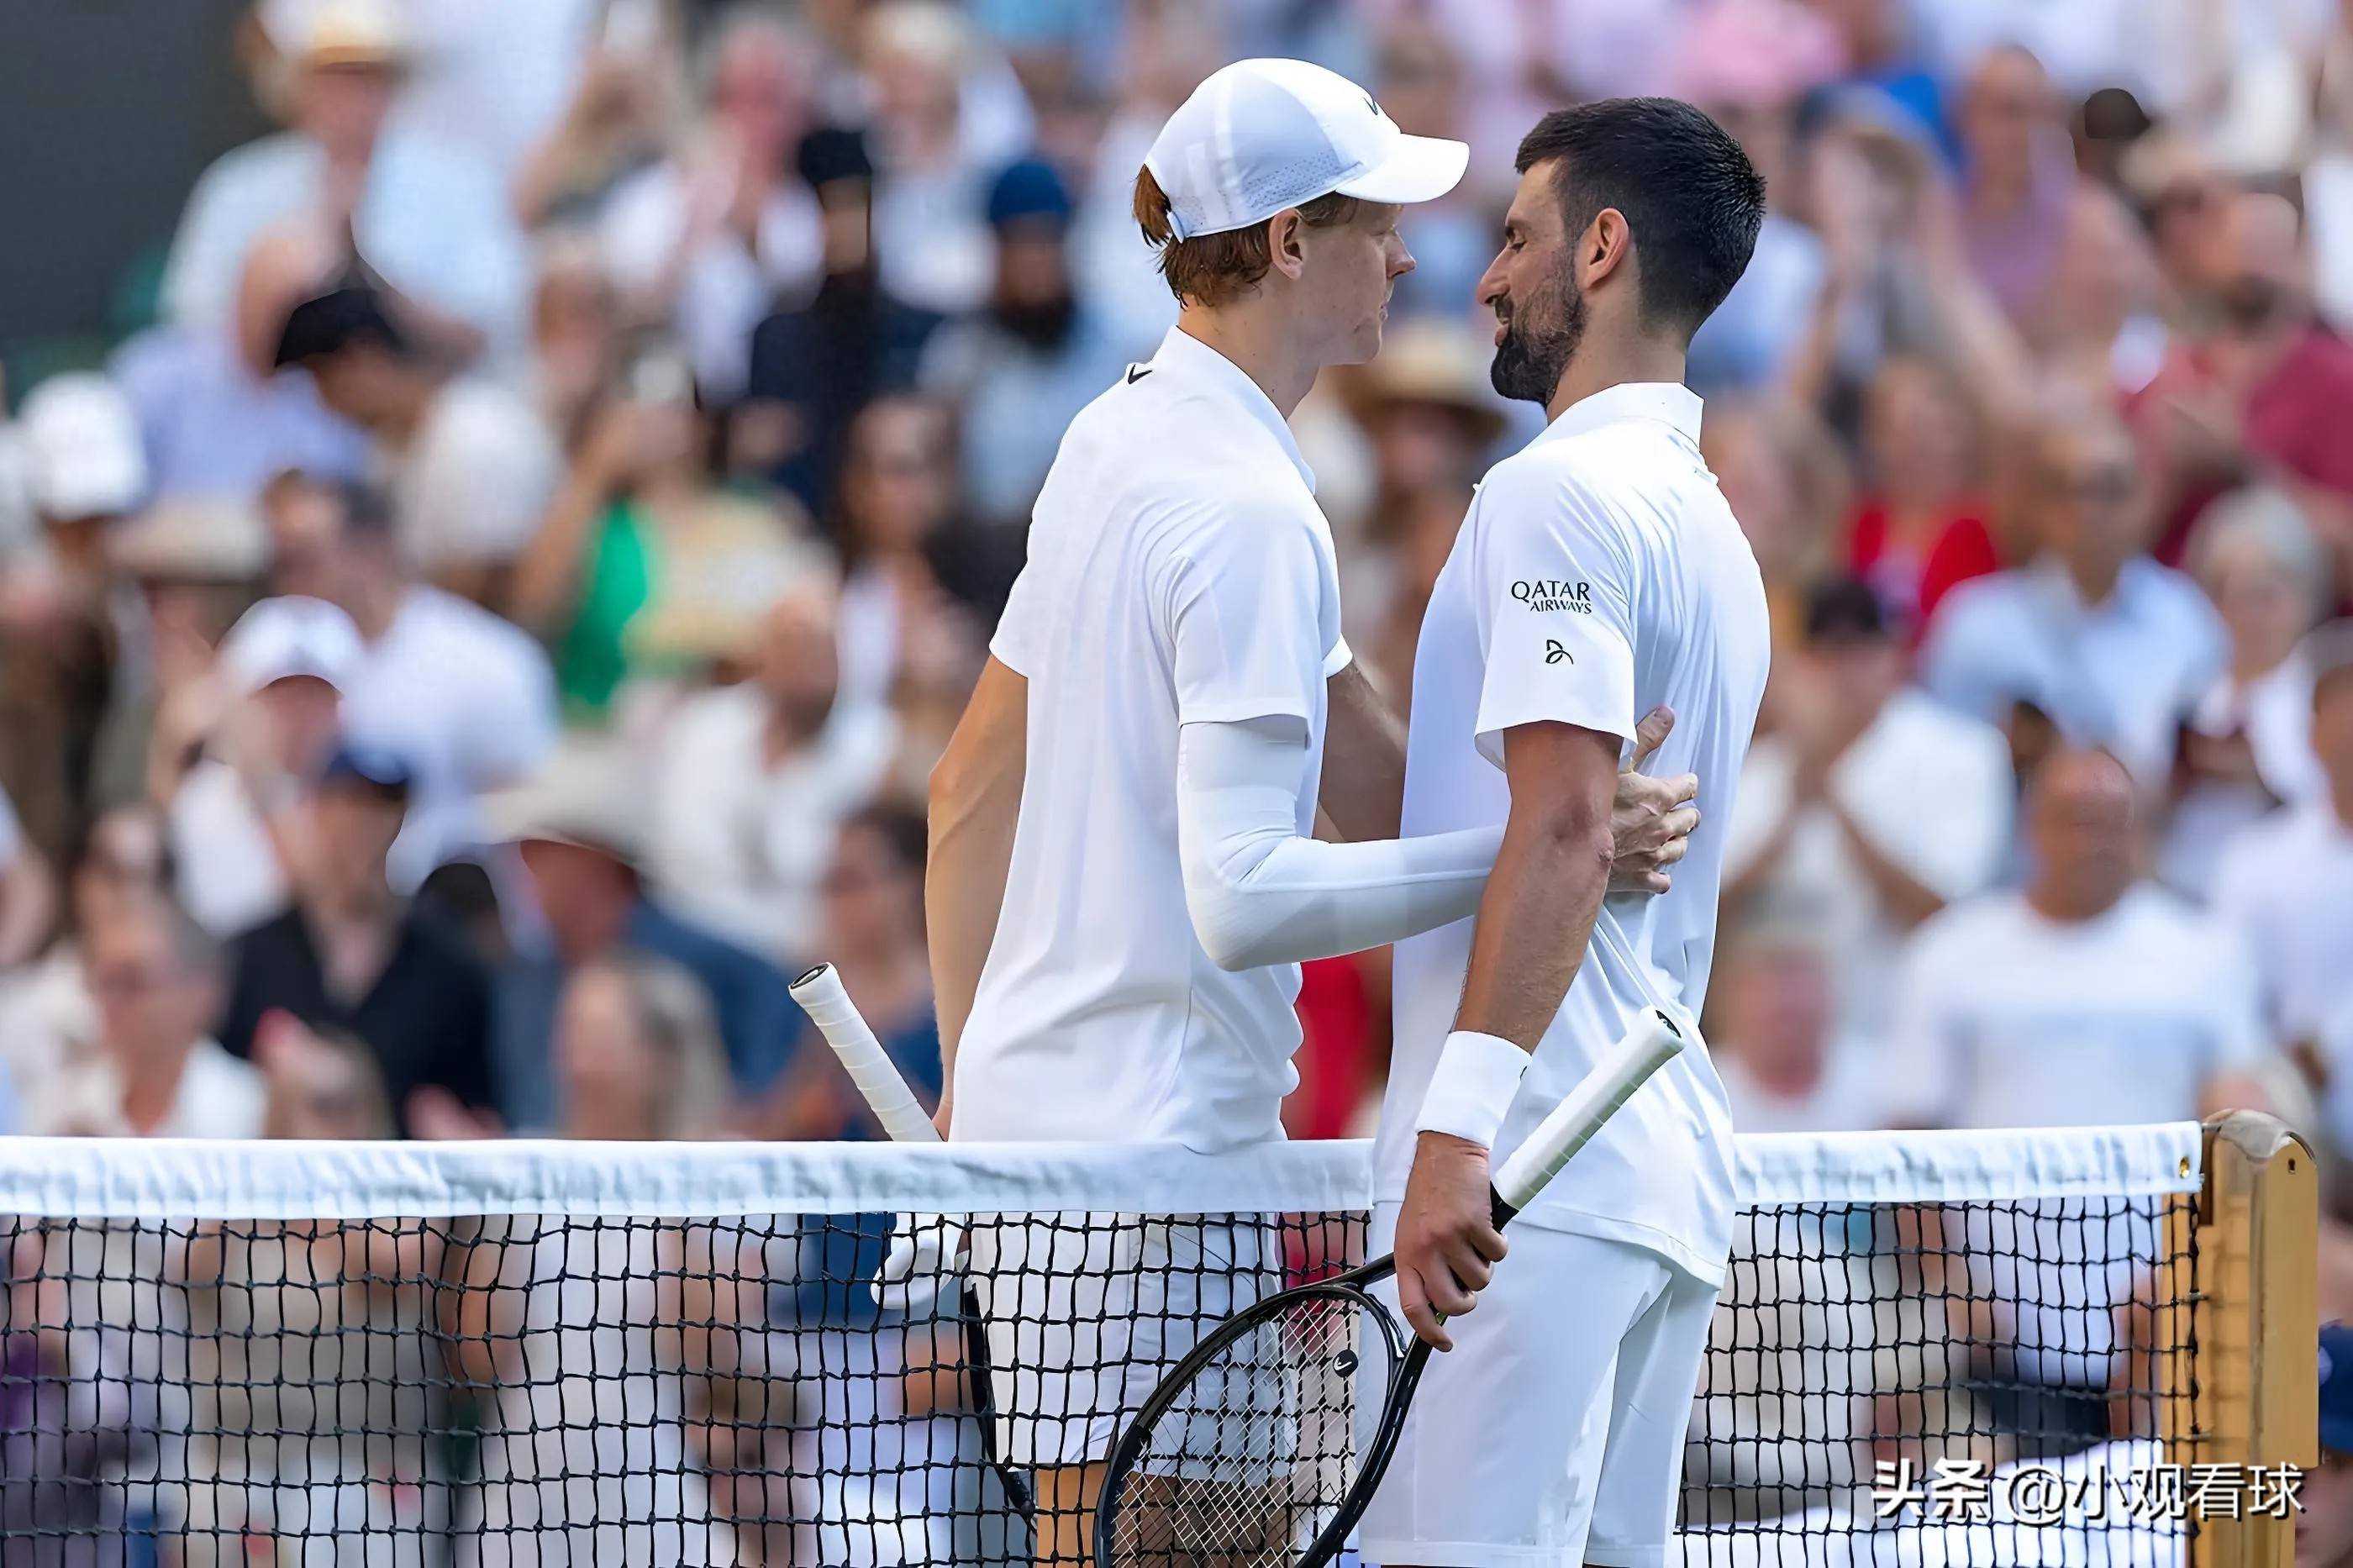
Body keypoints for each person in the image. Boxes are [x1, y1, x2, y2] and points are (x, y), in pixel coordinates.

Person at [925, 61, 1695, 1564]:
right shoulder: (1250, 512)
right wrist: (1537, 865)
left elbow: (972, 787)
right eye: (1376, 222)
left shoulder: (1117, 436)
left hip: (1042, 1154)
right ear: (1289, 243)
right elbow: (1247, 895)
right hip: (1158, 1174)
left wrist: (977, 1080)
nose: (1410, 255)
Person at [1366, 97, 1767, 1568]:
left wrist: (1454, 1132)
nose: (1485, 276)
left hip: (1527, 1191)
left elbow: (1564, 828)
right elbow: (1534, 820)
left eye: (1516, 238)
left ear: (1601, 251)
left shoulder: (1556, 493)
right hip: (1640, 1187)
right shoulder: (1706, 526)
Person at [1723, 576, 2012, 1040]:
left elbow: (1948, 913)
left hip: (1906, 1036)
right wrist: (1787, 821)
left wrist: (1837, 805)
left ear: (1898, 655)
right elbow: (1707, 916)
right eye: (1827, 653)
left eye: (1863, 650)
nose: (1845, 671)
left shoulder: (1963, 753)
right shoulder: (1761, 767)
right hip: (1781, 1054)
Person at [262, 473, 559, 888]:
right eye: (279, 563)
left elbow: (530, 814)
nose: (289, 580)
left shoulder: (485, 660)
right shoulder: (268, 652)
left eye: (305, 558)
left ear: (373, 548)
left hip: (446, 919)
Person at [1919, 403, 2227, 787]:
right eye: (2070, 490)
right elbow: (1935, 769)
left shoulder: (2186, 618)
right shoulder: (1976, 625)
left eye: (2110, 489)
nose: (2089, 511)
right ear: (2039, 505)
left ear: (2144, 500)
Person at [213, 742, 498, 1136]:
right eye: (348, 801)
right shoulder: (253, 954)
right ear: (315, 807)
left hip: (405, 1187)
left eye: (382, 804)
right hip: (277, 1183)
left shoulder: (448, 966)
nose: (362, 823)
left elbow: (480, 1112)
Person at [271, 285, 563, 602]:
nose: (325, 404)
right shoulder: (389, 449)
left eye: (324, 382)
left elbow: (490, 594)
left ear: (363, 357)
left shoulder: (478, 436)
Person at [2212, 624, 2353, 1057]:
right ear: (2313, 735)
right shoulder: (2254, 860)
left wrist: (2333, 1044)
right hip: (2295, 1102)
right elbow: (2233, 993)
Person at [24, 893, 265, 1139]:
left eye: (132, 981)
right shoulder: (57, 1109)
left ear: (200, 992)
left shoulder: (254, 1110)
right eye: (104, 982)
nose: (111, 1001)